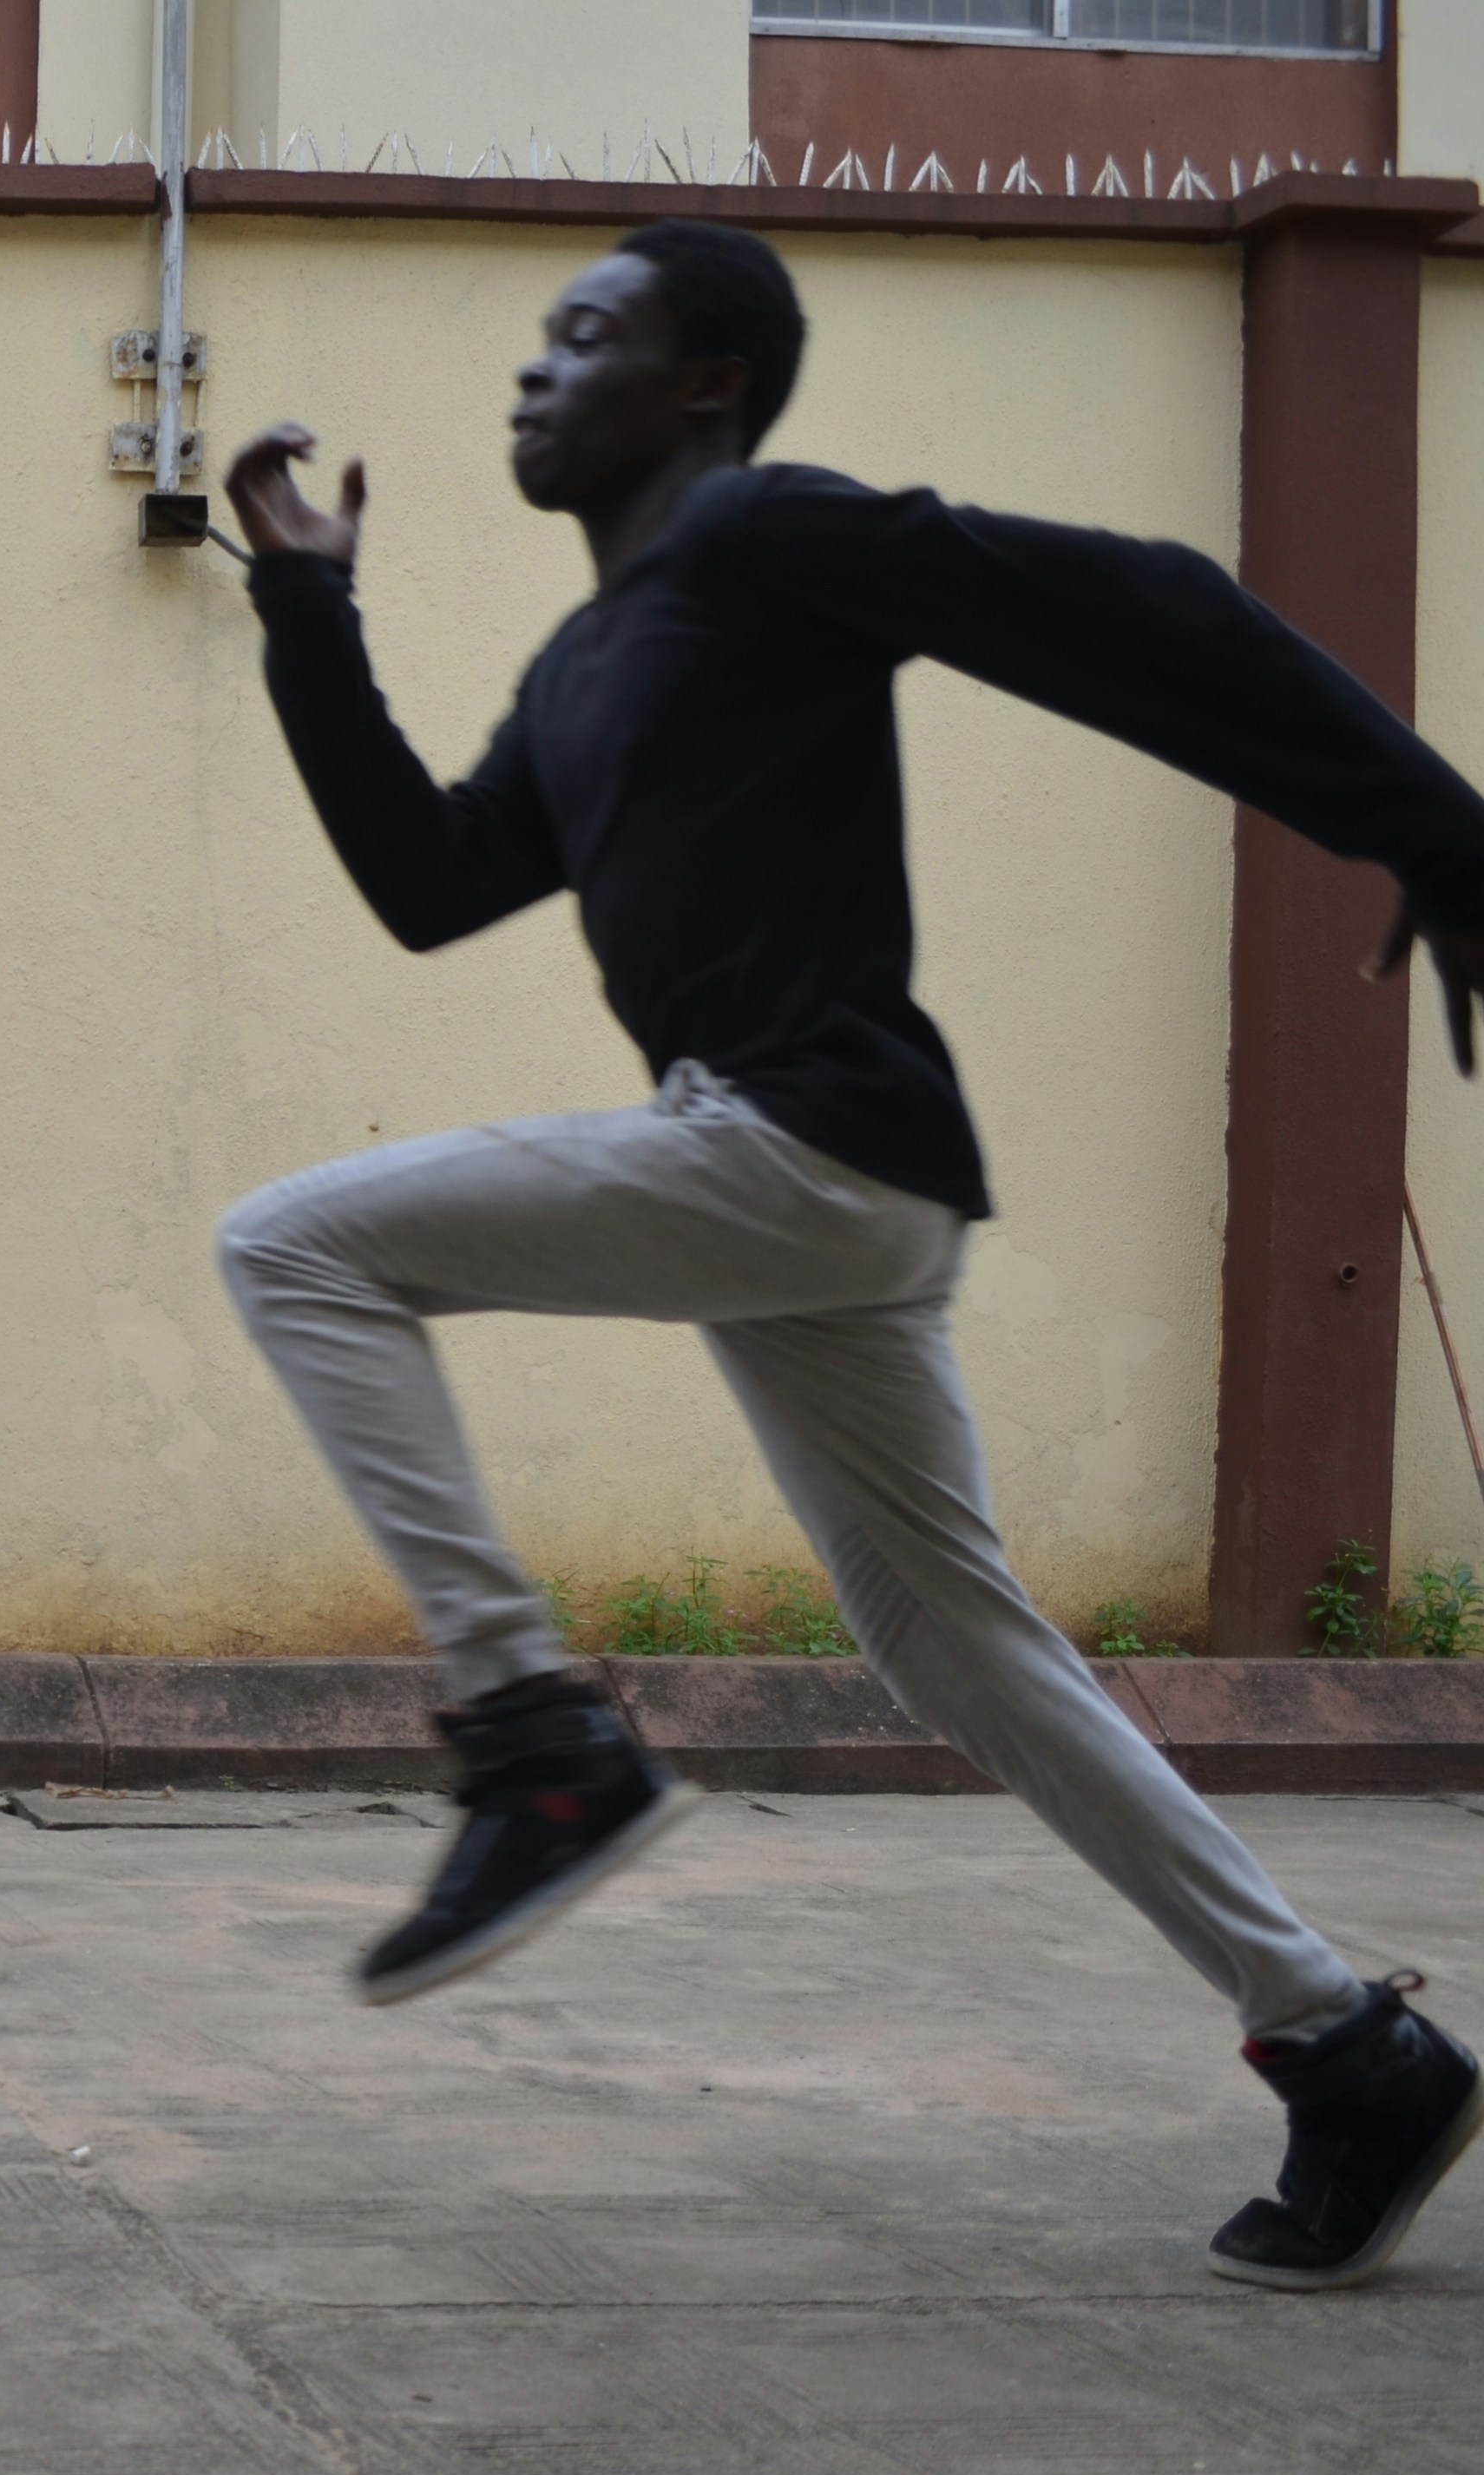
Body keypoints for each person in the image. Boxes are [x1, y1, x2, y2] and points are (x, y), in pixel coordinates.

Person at [213, 217, 1484, 2290]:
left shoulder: (758, 540)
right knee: (949, 1643)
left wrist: (1439, 833)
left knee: (294, 1245)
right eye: (536, 338)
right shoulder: (587, 666)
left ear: (707, 383)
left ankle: (533, 1737)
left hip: (797, 1147)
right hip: (824, 1203)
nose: (537, 370)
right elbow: (429, 883)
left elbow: (1141, 608)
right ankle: (1350, 2050)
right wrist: (301, 607)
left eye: (589, 335)